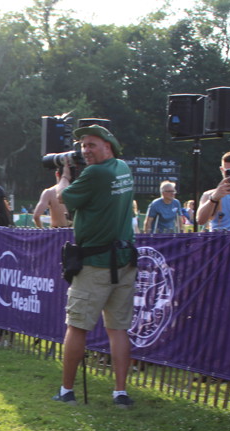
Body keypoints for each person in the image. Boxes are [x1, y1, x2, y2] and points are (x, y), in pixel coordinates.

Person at [52, 124, 137, 408]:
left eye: (92, 145)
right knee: (118, 329)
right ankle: (120, 392)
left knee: (77, 326)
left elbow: (62, 196)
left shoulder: (95, 173)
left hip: (96, 264)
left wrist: (65, 176)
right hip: (124, 261)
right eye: (83, 146)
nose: (85, 151)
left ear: (107, 146)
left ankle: (66, 390)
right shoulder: (122, 168)